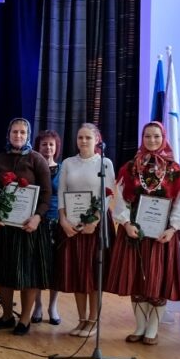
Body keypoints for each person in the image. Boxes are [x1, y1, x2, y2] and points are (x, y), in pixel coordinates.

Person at [106, 121, 180, 345]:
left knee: (157, 282)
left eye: (156, 136)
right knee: (137, 281)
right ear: (142, 138)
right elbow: (121, 199)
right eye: (147, 136)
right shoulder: (130, 168)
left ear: (164, 138)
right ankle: (140, 326)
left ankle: (152, 328)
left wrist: (173, 229)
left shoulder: (175, 170)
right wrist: (126, 224)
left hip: (162, 236)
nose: (152, 140)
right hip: (135, 233)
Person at [0, 118, 54, 336]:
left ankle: (24, 319)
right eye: (15, 132)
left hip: (29, 228)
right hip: (2, 227)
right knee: (2, 271)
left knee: (28, 274)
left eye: (23, 132)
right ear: (8, 134)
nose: (18, 135)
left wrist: (37, 218)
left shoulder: (37, 159)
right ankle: (7, 316)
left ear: (28, 135)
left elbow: (46, 195)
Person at [55, 124, 116, 337]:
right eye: (80, 137)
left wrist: (95, 221)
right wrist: (63, 220)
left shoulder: (105, 163)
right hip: (72, 225)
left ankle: (93, 320)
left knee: (94, 273)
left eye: (88, 137)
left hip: (96, 226)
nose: (83, 141)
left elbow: (108, 194)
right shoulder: (68, 163)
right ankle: (81, 320)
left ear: (97, 139)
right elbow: (62, 192)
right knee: (78, 273)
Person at [31, 130, 63, 326]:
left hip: (57, 222)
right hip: (37, 221)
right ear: (38, 147)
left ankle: (53, 306)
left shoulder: (63, 169)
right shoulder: (32, 167)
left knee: (55, 265)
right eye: (44, 144)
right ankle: (38, 305)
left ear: (56, 147)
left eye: (51, 144)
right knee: (37, 265)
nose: (48, 148)